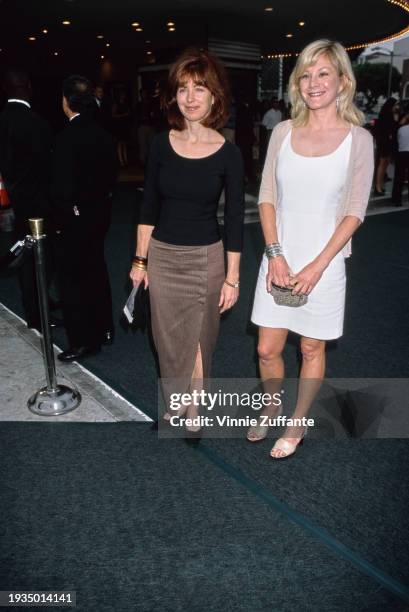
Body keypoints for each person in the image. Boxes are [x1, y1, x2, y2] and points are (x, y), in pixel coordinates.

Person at [248, 39, 374, 458]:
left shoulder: (359, 139)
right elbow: (266, 196)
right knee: (267, 349)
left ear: (342, 81)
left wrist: (318, 266)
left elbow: (355, 211)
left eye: (323, 73)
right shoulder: (283, 131)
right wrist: (275, 254)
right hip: (279, 257)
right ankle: (271, 407)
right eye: (306, 73)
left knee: (310, 347)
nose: (313, 82)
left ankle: (296, 423)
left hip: (325, 261)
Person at [129, 49, 244, 429]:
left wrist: (232, 277)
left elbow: (234, 224)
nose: (190, 98)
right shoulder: (162, 144)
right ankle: (175, 399)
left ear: (215, 96)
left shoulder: (230, 153)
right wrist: (139, 261)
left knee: (198, 335)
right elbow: (147, 207)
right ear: (174, 96)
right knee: (165, 337)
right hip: (162, 256)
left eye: (199, 88)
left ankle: (192, 406)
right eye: (182, 89)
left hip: (206, 259)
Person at [52, 75, 117, 362]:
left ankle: (82, 341)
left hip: (75, 218)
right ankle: (104, 329)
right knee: (96, 270)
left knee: (73, 279)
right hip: (101, 213)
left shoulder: (66, 136)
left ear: (66, 101)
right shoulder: (103, 132)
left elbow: (62, 187)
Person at [0, 68, 53, 330]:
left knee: (23, 259)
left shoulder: (2, 120)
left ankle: (34, 309)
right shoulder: (36, 123)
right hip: (38, 204)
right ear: (27, 86)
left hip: (13, 201)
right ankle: (40, 311)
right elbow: (48, 168)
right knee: (42, 258)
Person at [373, 97, 399, 195]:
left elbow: (394, 129)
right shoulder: (384, 116)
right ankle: (377, 187)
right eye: (395, 105)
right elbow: (384, 131)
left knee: (385, 164)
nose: (396, 107)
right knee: (382, 164)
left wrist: (396, 118)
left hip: (389, 143)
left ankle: (380, 185)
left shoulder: (392, 115)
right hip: (384, 143)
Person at [391, 111, 409, 205]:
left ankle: (396, 200)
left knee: (399, 178)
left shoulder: (401, 129)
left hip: (401, 154)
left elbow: (397, 140)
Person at [112, 90, 131, 167]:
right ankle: (121, 161)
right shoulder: (116, 104)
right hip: (119, 126)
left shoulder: (126, 104)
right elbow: (113, 115)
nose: (123, 96)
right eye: (122, 94)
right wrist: (123, 115)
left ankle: (125, 160)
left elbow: (129, 114)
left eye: (124, 95)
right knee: (120, 144)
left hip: (125, 125)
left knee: (124, 144)